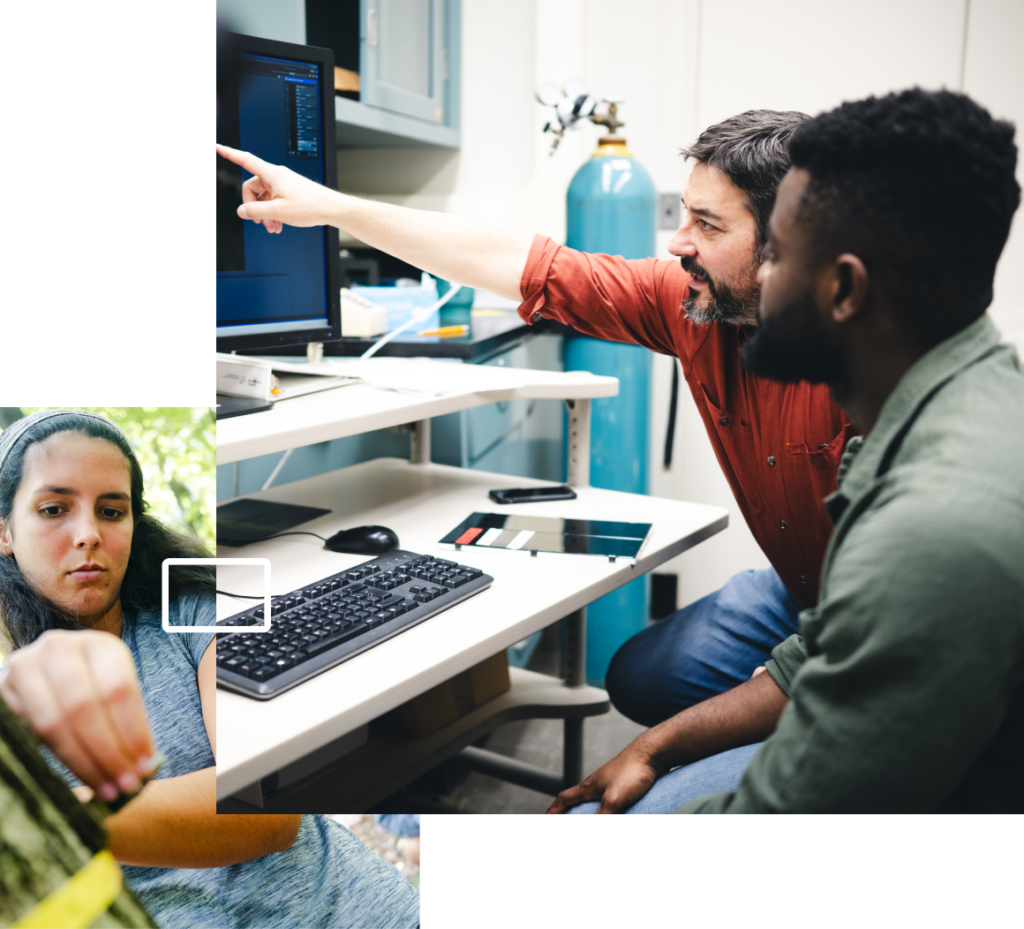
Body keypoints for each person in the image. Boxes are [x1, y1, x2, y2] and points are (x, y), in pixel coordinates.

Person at [216, 108, 857, 729]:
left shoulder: (868, 373)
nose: (677, 243)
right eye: (685, 215)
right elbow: (526, 263)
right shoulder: (698, 305)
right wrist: (329, 207)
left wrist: (719, 721)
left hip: (874, 615)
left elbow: (901, 614)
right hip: (797, 591)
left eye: (708, 227)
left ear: (786, 247)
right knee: (637, 678)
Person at [542, 87, 1024, 814]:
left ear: (843, 288)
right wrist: (657, 745)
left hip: (965, 760)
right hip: (884, 659)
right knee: (647, 685)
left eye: (781, 253)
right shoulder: (942, 393)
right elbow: (826, 641)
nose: (760, 276)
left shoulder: (936, 522)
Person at [0, 410, 421, 924]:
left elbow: (266, 813)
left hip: (356, 910)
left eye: (112, 511)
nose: (88, 533)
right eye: (53, 508)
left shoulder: (193, 609)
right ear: (5, 533)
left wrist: (48, 815)